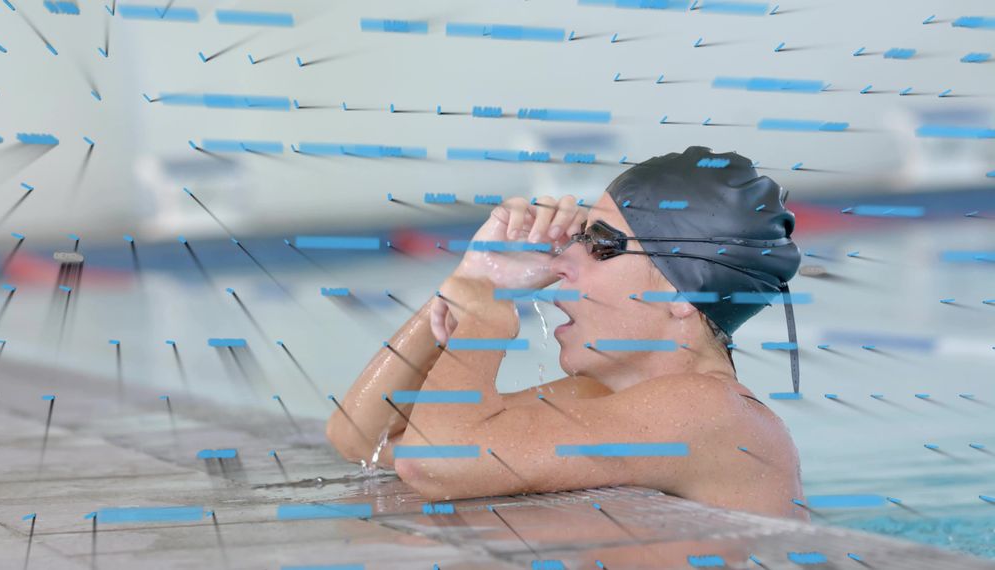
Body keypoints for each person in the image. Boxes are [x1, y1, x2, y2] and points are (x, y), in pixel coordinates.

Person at [326, 146, 809, 521]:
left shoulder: (712, 410)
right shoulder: (613, 396)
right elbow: (365, 436)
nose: (561, 264)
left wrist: (486, 313)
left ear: (682, 293)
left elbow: (435, 461)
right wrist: (468, 284)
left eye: (600, 244)